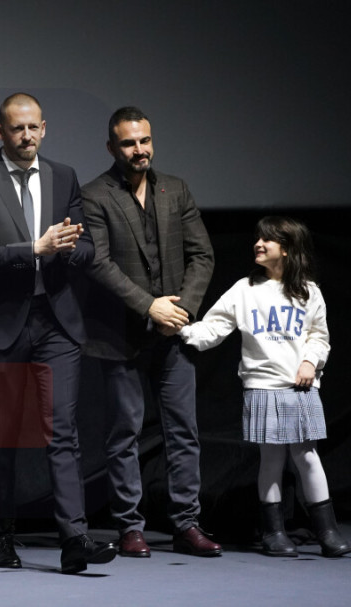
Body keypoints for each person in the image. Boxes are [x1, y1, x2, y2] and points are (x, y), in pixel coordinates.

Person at [0, 93, 116, 574]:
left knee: (62, 429)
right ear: (0, 132)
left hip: (56, 320)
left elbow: (87, 247)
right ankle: (1, 537)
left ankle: (74, 539)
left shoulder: (63, 175)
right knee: (1, 434)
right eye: (16, 128)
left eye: (33, 128)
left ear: (44, 128)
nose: (26, 136)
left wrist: (67, 248)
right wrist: (34, 248)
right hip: (0, 322)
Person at [81, 106, 219, 558]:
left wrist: (180, 310)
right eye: (128, 143)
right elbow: (98, 263)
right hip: (119, 334)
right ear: (111, 147)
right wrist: (149, 305)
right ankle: (129, 527)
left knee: (184, 431)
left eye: (144, 140)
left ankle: (186, 524)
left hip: (173, 332)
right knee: (125, 433)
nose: (139, 150)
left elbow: (202, 255)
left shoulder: (175, 188)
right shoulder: (94, 195)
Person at [180, 216, 351, 558]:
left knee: (307, 455)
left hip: (300, 387)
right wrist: (182, 329)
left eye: (267, 240)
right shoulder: (245, 290)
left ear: (287, 249)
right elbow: (214, 327)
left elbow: (319, 336)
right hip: (262, 385)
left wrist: (310, 362)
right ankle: (274, 532)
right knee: (271, 457)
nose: (258, 244)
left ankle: (328, 531)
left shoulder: (309, 291)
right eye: (257, 238)